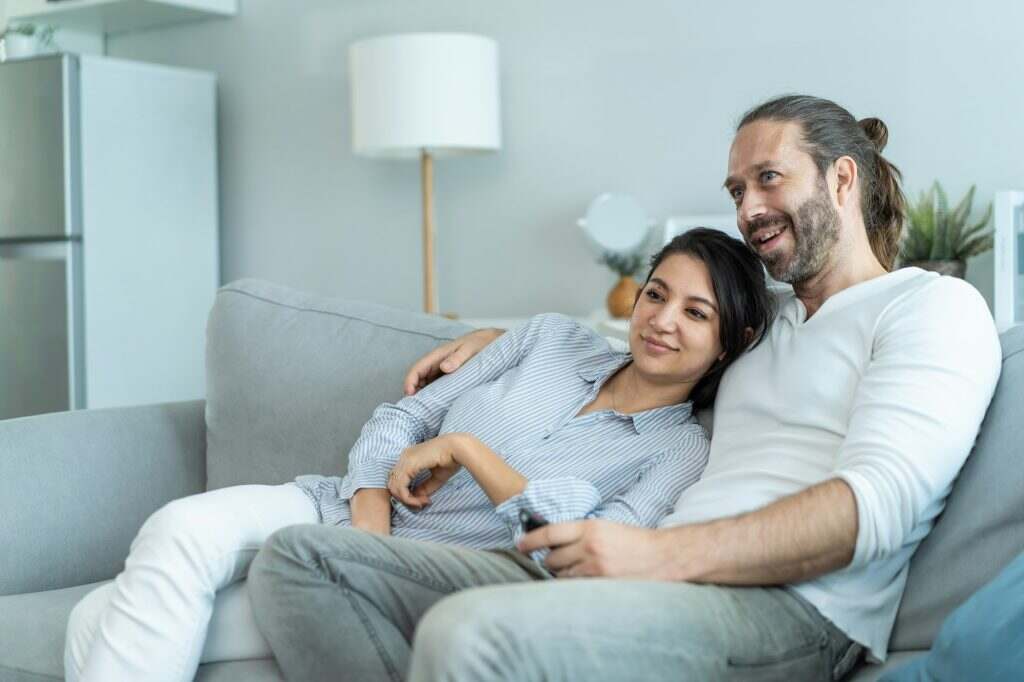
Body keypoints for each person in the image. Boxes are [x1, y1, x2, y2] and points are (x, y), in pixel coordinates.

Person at [250, 94, 1003, 681]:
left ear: (843, 177)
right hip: (635, 574)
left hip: (790, 613)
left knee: (470, 631)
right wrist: (497, 339)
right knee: (302, 559)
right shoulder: (766, 325)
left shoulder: (932, 308)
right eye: (736, 189)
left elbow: (875, 507)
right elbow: (648, 340)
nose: (747, 209)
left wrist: (657, 557)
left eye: (768, 179)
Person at [63, 228, 773, 682]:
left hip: (433, 578)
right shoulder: (550, 339)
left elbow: (573, 552)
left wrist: (468, 450)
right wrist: (369, 509)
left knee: (99, 616)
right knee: (175, 532)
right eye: (657, 294)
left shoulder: (681, 452)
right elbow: (405, 414)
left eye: (695, 313)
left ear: (731, 341)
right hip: (338, 509)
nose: (661, 320)